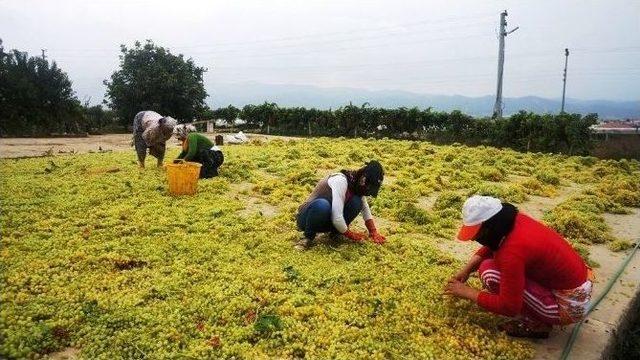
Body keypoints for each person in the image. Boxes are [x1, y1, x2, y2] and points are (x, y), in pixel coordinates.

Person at [444, 195, 593, 338]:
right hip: (577, 284)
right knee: (491, 265)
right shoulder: (515, 222)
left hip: (569, 306)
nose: (475, 239)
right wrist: (467, 269)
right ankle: (541, 308)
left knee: (490, 273)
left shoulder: (511, 253)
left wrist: (467, 292)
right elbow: (493, 244)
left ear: (492, 226)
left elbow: (509, 307)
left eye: (478, 234)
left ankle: (538, 324)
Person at [295, 160, 386, 250]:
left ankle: (336, 233)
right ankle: (307, 237)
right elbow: (337, 217)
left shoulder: (356, 185)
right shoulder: (340, 181)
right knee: (322, 205)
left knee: (357, 202)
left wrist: (373, 231)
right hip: (307, 219)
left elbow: (364, 207)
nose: (368, 191)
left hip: (326, 221)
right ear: (363, 179)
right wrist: (350, 234)